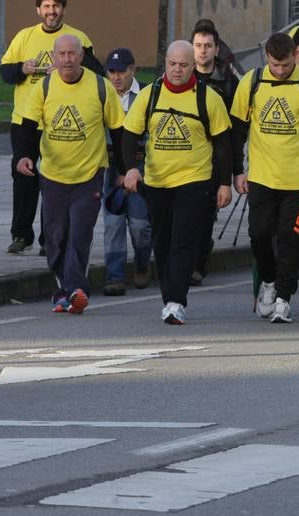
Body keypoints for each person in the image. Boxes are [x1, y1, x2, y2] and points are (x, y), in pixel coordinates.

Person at [120, 40, 233, 325]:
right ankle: (170, 295)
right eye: (172, 64)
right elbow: (129, 135)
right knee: (162, 240)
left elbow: (223, 145)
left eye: (184, 65)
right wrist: (132, 169)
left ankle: (175, 301)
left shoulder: (208, 98)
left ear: (193, 66)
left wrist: (224, 183)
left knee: (184, 240)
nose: (177, 70)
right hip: (157, 182)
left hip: (194, 181)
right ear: (165, 64)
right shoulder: (150, 95)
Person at [15, 34, 124, 314]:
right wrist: (24, 156)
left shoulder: (101, 87)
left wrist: (125, 170)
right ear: (53, 57)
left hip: (88, 176)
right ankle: (63, 291)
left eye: (72, 54)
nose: (67, 59)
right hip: (53, 175)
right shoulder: (45, 87)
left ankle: (76, 290)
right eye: (61, 54)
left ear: (81, 56)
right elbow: (28, 125)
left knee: (79, 233)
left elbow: (119, 131)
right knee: (56, 237)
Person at [231, 32, 299, 324]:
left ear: (296, 57)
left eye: (285, 65)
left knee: (292, 239)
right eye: (275, 65)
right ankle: (268, 281)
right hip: (262, 177)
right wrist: (237, 170)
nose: (280, 71)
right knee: (259, 235)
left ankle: (283, 299)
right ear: (267, 59)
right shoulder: (251, 83)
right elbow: (237, 129)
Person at [0, 0, 102, 255]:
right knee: (23, 176)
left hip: (60, 123)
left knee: (54, 181)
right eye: (46, 6)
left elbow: (96, 72)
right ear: (38, 10)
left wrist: (69, 65)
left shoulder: (77, 38)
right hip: (25, 120)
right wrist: (22, 68)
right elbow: (5, 72)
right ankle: (21, 234)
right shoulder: (24, 37)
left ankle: (50, 237)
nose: (51, 11)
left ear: (63, 9)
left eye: (56, 6)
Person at [190, 19, 241, 284]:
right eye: (198, 45)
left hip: (215, 157)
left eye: (208, 46)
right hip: (185, 156)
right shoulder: (183, 77)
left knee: (204, 213)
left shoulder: (229, 81)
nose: (202, 51)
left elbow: (235, 130)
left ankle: (198, 263)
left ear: (217, 48)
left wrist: (234, 172)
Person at [101, 48, 152, 294]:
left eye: (122, 71)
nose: (116, 77)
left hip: (141, 166)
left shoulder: (146, 94)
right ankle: (115, 276)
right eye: (112, 71)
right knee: (113, 223)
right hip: (110, 168)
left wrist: (133, 168)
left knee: (140, 224)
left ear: (133, 70)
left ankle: (142, 264)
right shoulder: (102, 94)